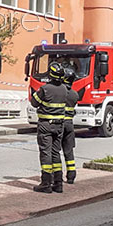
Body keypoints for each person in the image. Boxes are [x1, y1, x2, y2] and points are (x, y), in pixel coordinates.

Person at [30, 61, 69, 193]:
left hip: (46, 125)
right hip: (59, 125)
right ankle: (58, 183)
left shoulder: (45, 89)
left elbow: (34, 103)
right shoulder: (64, 89)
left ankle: (46, 183)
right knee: (55, 153)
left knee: (46, 153)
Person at [62, 67, 80, 184]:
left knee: (55, 151)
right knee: (69, 151)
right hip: (69, 125)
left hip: (59, 124)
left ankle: (56, 176)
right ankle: (71, 175)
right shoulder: (74, 94)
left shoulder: (60, 92)